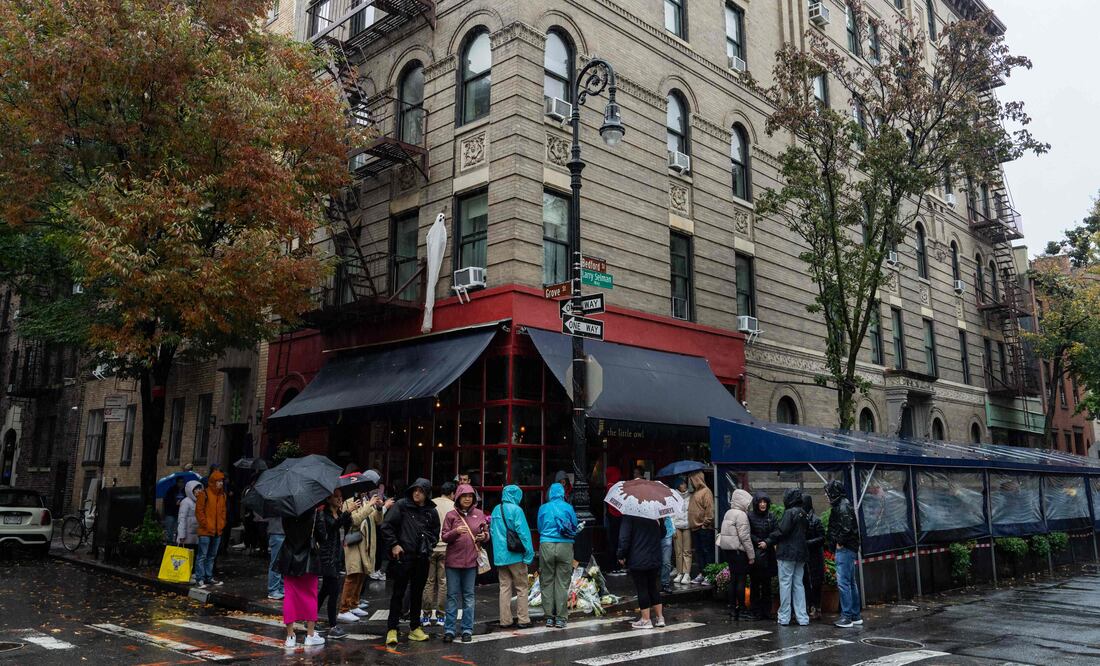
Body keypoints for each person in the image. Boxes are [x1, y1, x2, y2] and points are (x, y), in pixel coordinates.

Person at [379, 478, 439, 646]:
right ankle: (392, 628)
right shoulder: (402, 505)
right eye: (415, 490)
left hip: (422, 557)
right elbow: (386, 526)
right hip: (403, 556)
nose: (416, 493)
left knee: (417, 594)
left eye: (420, 490)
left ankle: (415, 627)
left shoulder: (431, 511)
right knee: (398, 593)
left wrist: (429, 544)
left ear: (426, 493)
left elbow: (436, 531)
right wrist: (394, 544)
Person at [440, 484, 488, 643]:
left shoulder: (479, 514)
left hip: (471, 563)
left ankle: (467, 629)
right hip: (453, 563)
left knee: (469, 597)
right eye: (464, 496)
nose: (467, 499)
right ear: (458, 497)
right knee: (452, 596)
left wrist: (484, 536)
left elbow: (486, 533)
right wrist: (456, 531)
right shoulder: (451, 515)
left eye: (470, 496)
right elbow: (444, 536)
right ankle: (449, 630)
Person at [275, 508, 325, 649]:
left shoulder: (287, 508)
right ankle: (310, 635)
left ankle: (290, 636)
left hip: (289, 556)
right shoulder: (315, 511)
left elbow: (286, 530)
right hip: (308, 558)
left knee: (290, 596)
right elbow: (322, 535)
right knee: (310, 595)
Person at [761, 489, 809, 627]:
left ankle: (784, 617)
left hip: (787, 553)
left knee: (785, 584)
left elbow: (782, 531)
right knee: (798, 584)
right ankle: (802, 617)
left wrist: (768, 541)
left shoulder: (789, 513)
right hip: (801, 554)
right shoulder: (803, 513)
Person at [491, 484, 535, 629]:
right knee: (522, 588)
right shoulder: (517, 510)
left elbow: (492, 532)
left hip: (500, 556)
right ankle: (523, 619)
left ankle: (505, 620)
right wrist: (529, 554)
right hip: (515, 555)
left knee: (504, 588)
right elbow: (523, 533)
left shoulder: (496, 509)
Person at [339, 488, 384, 619]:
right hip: (354, 543)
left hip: (367, 544)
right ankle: (344, 608)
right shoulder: (349, 502)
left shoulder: (366, 502)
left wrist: (379, 508)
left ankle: (354, 604)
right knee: (353, 574)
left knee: (362, 574)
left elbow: (378, 520)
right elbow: (355, 520)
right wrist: (370, 505)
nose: (366, 492)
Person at [537, 481, 577, 629]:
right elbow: (573, 524)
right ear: (562, 493)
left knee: (546, 580)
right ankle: (560, 618)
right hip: (565, 545)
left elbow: (540, 527)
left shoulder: (543, 508)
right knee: (562, 582)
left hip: (546, 544)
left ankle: (549, 617)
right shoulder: (568, 507)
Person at [316, 490, 353, 639]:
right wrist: (346, 513)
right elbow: (332, 527)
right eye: (336, 497)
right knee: (334, 591)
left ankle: (310, 618)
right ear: (328, 498)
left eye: (341, 496)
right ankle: (333, 625)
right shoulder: (324, 514)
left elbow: (346, 527)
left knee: (325, 590)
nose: (339, 499)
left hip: (337, 557)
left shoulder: (339, 513)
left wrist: (347, 514)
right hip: (327, 557)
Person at [825, 479, 863, 628]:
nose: (826, 496)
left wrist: (839, 543)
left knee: (844, 583)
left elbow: (846, 528)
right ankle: (854, 615)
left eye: (828, 493)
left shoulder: (842, 506)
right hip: (849, 547)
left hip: (845, 548)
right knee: (850, 582)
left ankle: (847, 616)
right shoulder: (844, 504)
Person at [618, 514, 665, 629]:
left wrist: (620, 554)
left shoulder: (629, 515)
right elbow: (663, 533)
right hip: (654, 556)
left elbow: (624, 538)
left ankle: (645, 619)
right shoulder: (655, 514)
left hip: (638, 557)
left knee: (642, 587)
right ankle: (660, 618)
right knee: (653, 586)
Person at [718, 488, 755, 620]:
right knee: (741, 580)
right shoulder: (741, 515)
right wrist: (751, 555)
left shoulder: (728, 513)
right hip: (739, 552)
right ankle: (742, 609)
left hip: (729, 551)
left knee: (733, 580)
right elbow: (745, 537)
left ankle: (733, 608)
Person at [422, 482, 455, 626]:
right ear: (452, 493)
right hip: (446, 548)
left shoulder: (431, 503)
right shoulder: (453, 506)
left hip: (430, 547)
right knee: (443, 582)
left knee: (429, 582)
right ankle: (441, 616)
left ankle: (426, 616)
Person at [194, 470, 227, 589]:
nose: (221, 483)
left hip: (217, 530)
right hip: (206, 530)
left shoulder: (222, 495)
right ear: (213, 482)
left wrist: (221, 524)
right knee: (203, 555)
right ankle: (200, 578)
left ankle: (208, 577)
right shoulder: (205, 494)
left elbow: (223, 512)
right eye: (219, 481)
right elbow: (199, 511)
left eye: (221, 481)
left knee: (211, 555)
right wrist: (206, 525)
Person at [747, 491, 777, 620]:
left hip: (768, 554)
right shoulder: (750, 516)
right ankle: (755, 610)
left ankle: (767, 611)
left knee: (767, 584)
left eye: (765, 502)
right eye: (760, 502)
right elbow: (747, 532)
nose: (763, 504)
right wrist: (758, 541)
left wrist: (767, 542)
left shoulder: (772, 516)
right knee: (754, 583)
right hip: (755, 554)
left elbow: (777, 532)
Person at [687, 471, 715, 584]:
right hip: (695, 528)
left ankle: (709, 575)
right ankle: (702, 573)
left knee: (706, 551)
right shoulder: (694, 493)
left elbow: (710, 510)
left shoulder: (706, 491)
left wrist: (705, 524)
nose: (690, 482)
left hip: (703, 528)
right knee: (699, 553)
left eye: (692, 479)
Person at [802, 494, 826, 620]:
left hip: (815, 557)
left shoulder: (815, 520)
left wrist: (808, 543)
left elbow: (822, 538)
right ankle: (810, 607)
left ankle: (816, 608)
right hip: (806, 557)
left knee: (816, 583)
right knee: (806, 583)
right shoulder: (802, 518)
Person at [176, 480, 202, 569]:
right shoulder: (186, 502)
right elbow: (182, 519)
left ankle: (193, 572)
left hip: (196, 534)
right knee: (186, 556)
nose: (199, 491)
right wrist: (181, 535)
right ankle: (185, 573)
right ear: (191, 490)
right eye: (196, 489)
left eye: (200, 488)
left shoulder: (200, 502)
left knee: (194, 555)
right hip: (187, 535)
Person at [671, 477, 692, 584]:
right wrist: (672, 528)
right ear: (678, 485)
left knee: (687, 551)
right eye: (682, 484)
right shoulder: (673, 497)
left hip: (687, 526)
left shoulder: (690, 496)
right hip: (677, 526)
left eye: (685, 483)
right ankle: (679, 572)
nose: (684, 485)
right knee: (678, 551)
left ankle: (687, 573)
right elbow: (671, 514)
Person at [603, 466, 624, 574]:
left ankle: (613, 566)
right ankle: (614, 566)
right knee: (614, 542)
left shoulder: (609, 486)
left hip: (611, 517)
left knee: (613, 542)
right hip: (614, 518)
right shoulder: (613, 487)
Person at [267, 516, 285, 600]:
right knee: (276, 563)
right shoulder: (277, 504)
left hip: (281, 532)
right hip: (278, 532)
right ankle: (273, 589)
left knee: (282, 562)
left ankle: (281, 588)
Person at [164, 477, 186, 544]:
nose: (181, 483)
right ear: (177, 483)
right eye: (180, 482)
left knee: (177, 530)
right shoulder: (171, 490)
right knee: (169, 530)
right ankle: (168, 545)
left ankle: (175, 544)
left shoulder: (185, 491)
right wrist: (175, 503)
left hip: (179, 513)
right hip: (170, 513)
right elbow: (167, 501)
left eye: (182, 482)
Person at [659, 516, 674, 594]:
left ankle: (665, 584)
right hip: (652, 534)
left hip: (667, 532)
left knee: (666, 561)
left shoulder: (666, 504)